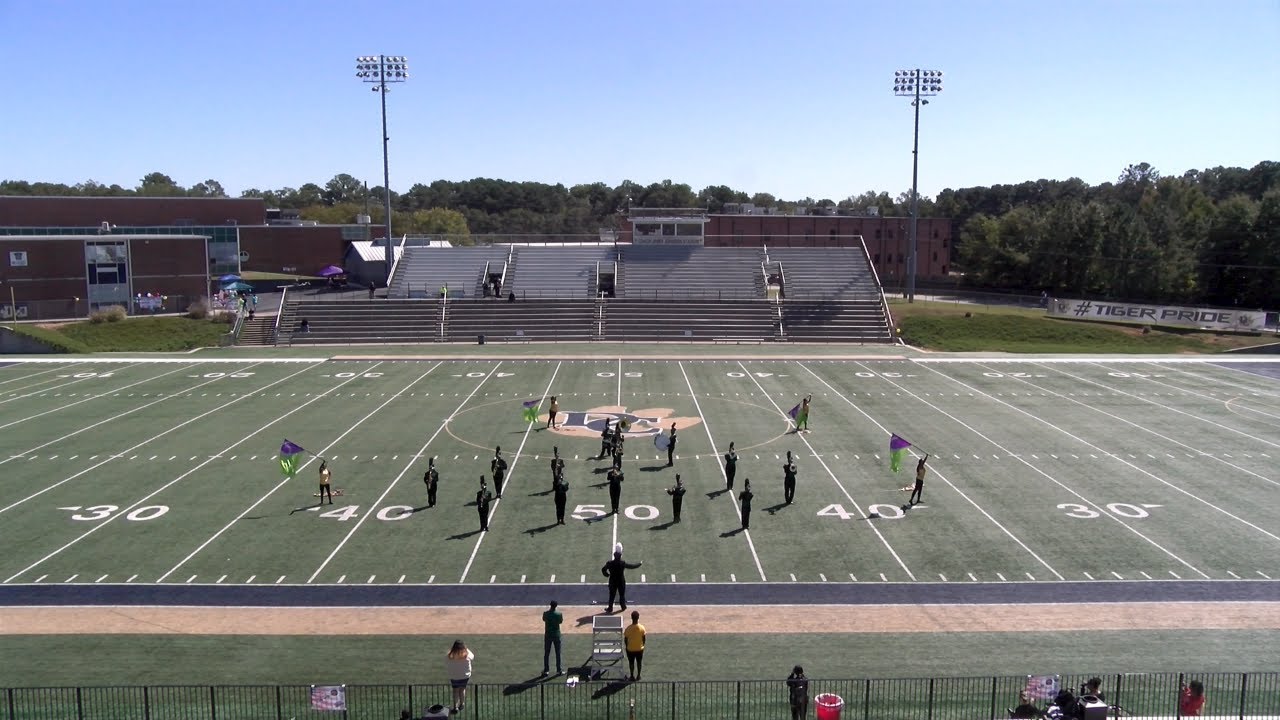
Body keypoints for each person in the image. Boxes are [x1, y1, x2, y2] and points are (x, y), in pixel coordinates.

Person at [445, 640, 473, 714]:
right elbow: (472, 656)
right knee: (462, 689)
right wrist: (466, 649)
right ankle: (462, 704)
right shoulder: (467, 654)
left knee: (455, 691)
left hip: (454, 676)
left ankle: (455, 707)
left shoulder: (450, 655)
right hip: (465, 676)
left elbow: (446, 660)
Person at [540, 601, 563, 677]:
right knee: (558, 653)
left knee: (547, 653)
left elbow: (544, 619)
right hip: (556, 635)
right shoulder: (559, 614)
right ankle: (559, 670)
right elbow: (560, 621)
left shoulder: (545, 614)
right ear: (556, 606)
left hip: (548, 635)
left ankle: (546, 670)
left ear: (550, 605)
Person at [623, 610, 646, 681]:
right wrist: (642, 645)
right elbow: (644, 638)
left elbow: (625, 639)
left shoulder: (628, 628)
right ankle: (638, 676)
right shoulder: (642, 628)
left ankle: (632, 676)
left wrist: (627, 647)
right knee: (639, 662)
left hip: (630, 649)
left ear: (631, 618)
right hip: (639, 649)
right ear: (638, 617)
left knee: (631, 663)